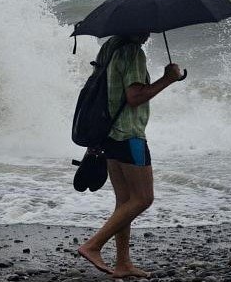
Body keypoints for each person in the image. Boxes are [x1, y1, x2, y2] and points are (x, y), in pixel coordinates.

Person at [77, 33, 183, 278]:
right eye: (145, 27)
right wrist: (167, 79)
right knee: (143, 198)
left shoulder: (111, 46)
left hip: (109, 132)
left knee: (125, 201)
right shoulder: (133, 52)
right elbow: (134, 97)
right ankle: (93, 246)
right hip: (129, 134)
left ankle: (123, 263)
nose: (148, 33)